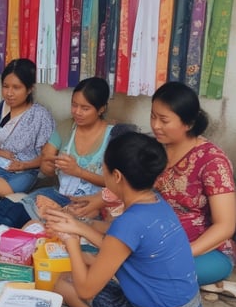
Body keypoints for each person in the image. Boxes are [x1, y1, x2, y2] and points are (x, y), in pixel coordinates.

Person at [45, 132, 203, 307]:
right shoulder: (156, 202)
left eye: (104, 169)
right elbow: (118, 245)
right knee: (63, 281)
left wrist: (71, 240)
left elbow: (86, 288)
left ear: (117, 176)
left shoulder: (130, 221)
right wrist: (79, 227)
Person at [73, 82, 236, 289]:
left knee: (141, 271)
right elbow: (131, 182)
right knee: (94, 256)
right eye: (153, 116)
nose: (155, 125)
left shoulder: (212, 161)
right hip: (151, 239)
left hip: (201, 250)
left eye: (164, 120)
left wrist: (180, 251)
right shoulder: (154, 148)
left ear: (189, 123)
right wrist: (98, 200)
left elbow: (225, 226)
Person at [32, 77, 114, 213]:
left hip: (93, 203)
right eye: (74, 105)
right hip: (62, 195)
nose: (77, 112)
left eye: (85, 108)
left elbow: (115, 184)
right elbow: (46, 163)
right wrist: (48, 167)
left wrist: (78, 172)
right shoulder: (65, 127)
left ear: (101, 109)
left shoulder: (113, 137)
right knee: (23, 206)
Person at [0, 58, 55, 196]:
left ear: (29, 89)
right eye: (5, 86)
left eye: (16, 87)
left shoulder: (40, 115)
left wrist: (24, 165)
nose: (9, 93)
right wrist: (4, 154)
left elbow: (48, 157)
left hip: (26, 172)